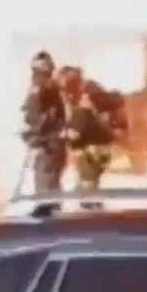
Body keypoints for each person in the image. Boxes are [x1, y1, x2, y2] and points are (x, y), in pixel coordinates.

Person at [57, 65, 116, 199]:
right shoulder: (88, 97)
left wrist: (58, 135)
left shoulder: (83, 104)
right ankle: (88, 202)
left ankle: (90, 208)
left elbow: (74, 133)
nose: (64, 94)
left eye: (64, 88)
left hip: (91, 149)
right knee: (87, 185)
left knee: (88, 185)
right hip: (98, 148)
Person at [20, 50, 68, 213]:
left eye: (37, 72)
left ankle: (45, 208)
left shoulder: (47, 90)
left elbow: (47, 118)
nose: (34, 75)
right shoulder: (48, 89)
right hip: (49, 143)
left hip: (48, 144)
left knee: (45, 177)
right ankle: (49, 207)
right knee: (48, 179)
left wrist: (34, 133)